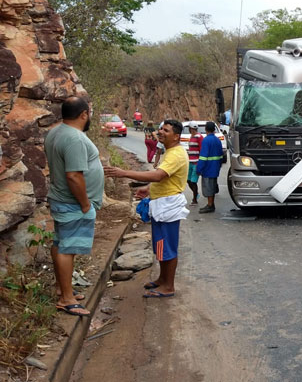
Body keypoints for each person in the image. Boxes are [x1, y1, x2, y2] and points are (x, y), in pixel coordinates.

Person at [104, 120, 188, 298]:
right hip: (161, 205)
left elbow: (159, 175)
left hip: (168, 207)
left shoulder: (176, 154)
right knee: (160, 246)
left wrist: (124, 173)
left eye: (166, 130)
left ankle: (168, 286)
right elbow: (165, 178)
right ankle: (162, 279)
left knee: (168, 248)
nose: (161, 132)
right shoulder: (169, 152)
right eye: (161, 129)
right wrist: (148, 188)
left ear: (176, 136)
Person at [44, 96, 104, 317]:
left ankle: (63, 289)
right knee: (67, 248)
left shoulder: (55, 132)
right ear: (84, 114)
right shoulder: (75, 139)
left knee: (60, 244)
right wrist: (86, 204)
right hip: (73, 204)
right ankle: (66, 299)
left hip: (63, 201)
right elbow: (74, 176)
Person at [196, 121, 222, 213]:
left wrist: (199, 169)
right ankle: (212, 204)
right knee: (213, 186)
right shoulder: (218, 140)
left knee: (208, 187)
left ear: (206, 129)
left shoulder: (206, 140)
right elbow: (221, 155)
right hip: (215, 167)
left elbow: (203, 157)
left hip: (208, 168)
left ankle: (210, 205)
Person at [186, 121, 202, 206]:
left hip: (196, 162)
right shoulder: (191, 137)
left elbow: (201, 149)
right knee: (188, 180)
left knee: (193, 181)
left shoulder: (199, 137)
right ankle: (196, 194)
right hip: (190, 162)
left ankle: (195, 199)